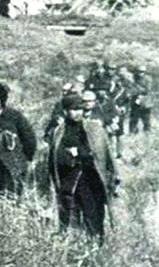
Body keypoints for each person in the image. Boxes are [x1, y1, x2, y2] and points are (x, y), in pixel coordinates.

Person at [47, 94, 120, 242]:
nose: (78, 112)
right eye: (73, 109)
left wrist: (78, 152)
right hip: (69, 179)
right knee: (70, 214)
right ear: (65, 111)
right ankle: (74, 245)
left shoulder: (95, 129)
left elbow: (105, 154)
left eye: (80, 109)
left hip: (91, 178)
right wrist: (68, 156)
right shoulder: (58, 132)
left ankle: (96, 244)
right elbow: (54, 157)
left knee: (93, 213)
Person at [129, 65, 153, 133]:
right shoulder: (134, 78)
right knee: (133, 120)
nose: (140, 73)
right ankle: (132, 134)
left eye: (142, 72)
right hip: (135, 103)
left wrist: (136, 88)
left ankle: (147, 134)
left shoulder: (148, 79)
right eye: (138, 71)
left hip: (145, 103)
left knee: (146, 121)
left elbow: (147, 90)